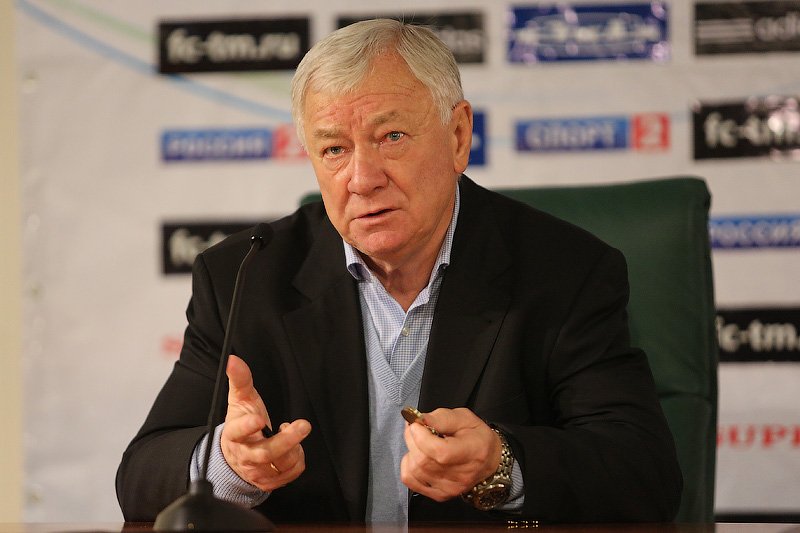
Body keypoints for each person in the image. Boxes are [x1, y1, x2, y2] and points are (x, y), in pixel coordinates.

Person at [116, 19, 682, 524]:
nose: (363, 179)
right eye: (334, 149)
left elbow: (645, 475)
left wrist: (500, 463)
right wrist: (229, 464)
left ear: (458, 136)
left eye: (392, 137)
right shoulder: (245, 277)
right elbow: (141, 477)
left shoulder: (565, 271)